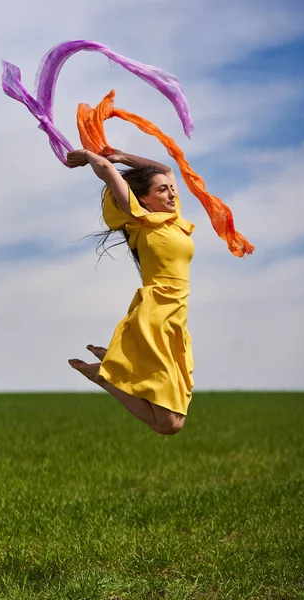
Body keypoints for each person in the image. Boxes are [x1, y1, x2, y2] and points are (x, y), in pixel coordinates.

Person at [66, 149, 195, 435]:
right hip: (157, 315)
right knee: (169, 425)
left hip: (176, 317)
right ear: (144, 199)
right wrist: (89, 155)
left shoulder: (173, 219)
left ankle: (111, 366)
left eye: (172, 190)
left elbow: (166, 170)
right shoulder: (141, 220)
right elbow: (105, 171)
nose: (172, 193)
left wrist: (122, 156)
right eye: (163, 190)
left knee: (172, 423)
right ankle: (107, 374)